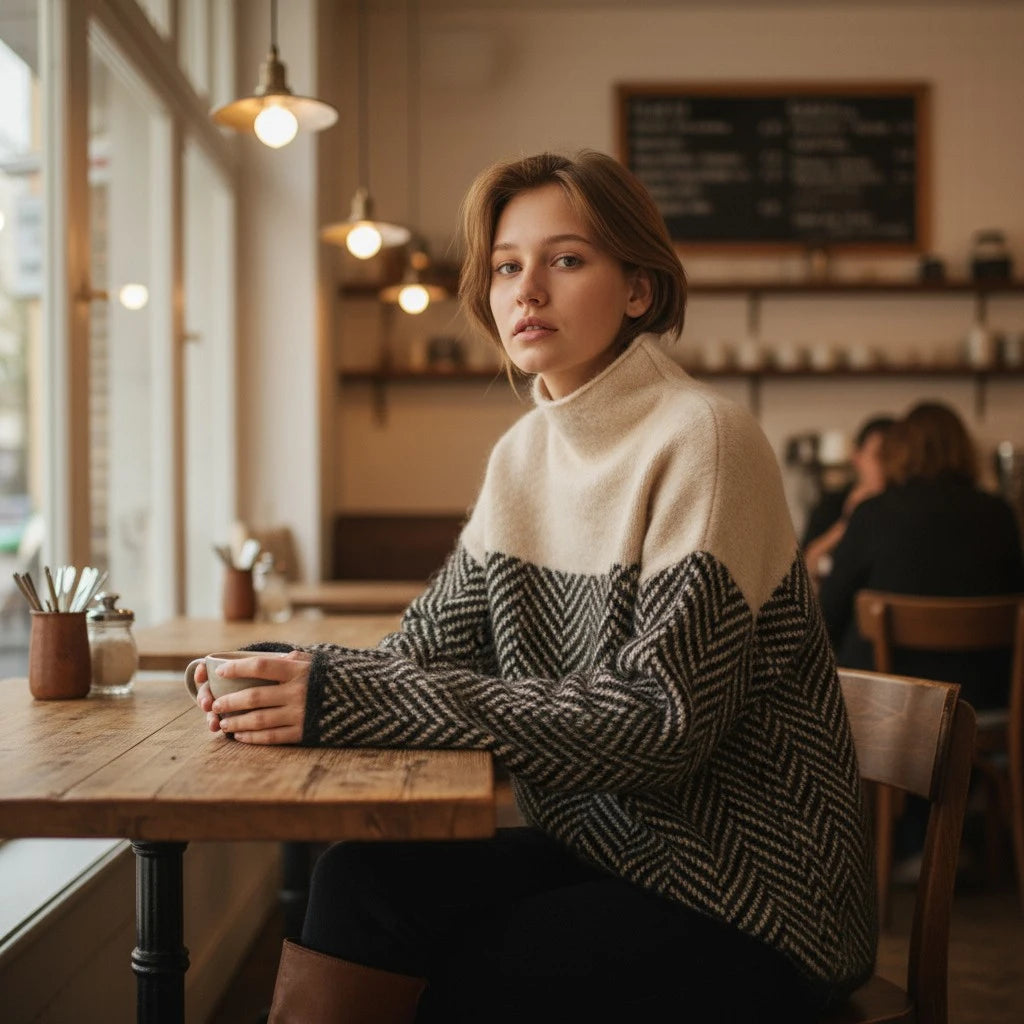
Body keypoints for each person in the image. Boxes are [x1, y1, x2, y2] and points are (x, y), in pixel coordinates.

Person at [191, 151, 875, 1022]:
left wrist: (340, 695)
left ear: (637, 288)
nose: (527, 291)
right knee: (360, 884)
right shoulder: (524, 456)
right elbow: (419, 653)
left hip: (752, 899)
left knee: (465, 978)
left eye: (566, 259)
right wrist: (274, 671)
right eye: (508, 266)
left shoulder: (704, 440)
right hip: (603, 847)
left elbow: (658, 723)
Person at [819, 400, 1024, 706]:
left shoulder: (874, 513)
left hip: (887, 702)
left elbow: (827, 614)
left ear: (901, 451)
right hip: (982, 696)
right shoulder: (1001, 514)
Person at [802, 415, 894, 582]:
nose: (886, 466)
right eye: (879, 456)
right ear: (857, 458)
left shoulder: (905, 509)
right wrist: (849, 521)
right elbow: (805, 564)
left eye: (893, 457)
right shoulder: (833, 503)